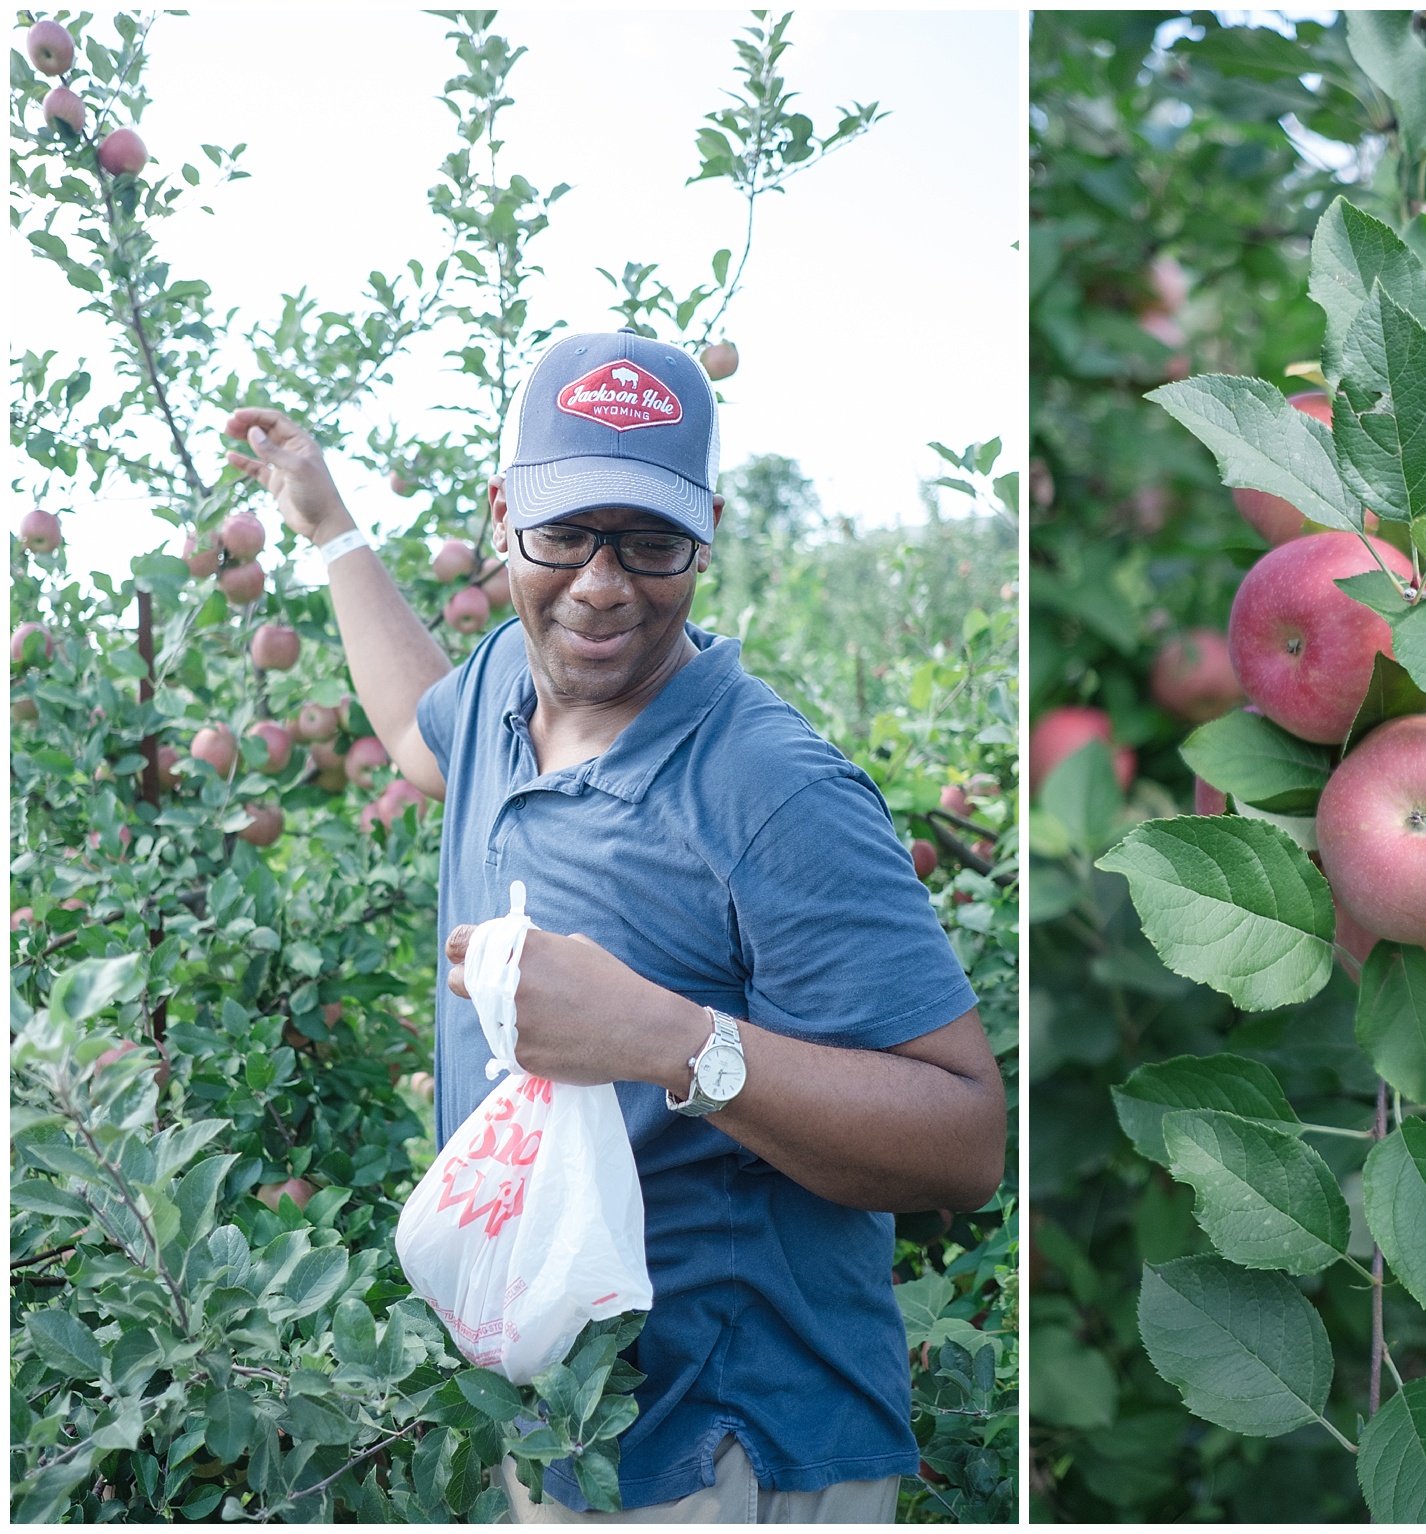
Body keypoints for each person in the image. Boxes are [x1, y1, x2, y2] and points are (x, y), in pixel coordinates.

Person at [222, 330, 1006, 1523]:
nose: (602, 582)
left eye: (651, 542)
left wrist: (670, 1039)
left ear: (708, 533)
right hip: (566, 1426)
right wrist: (329, 521)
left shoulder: (767, 786)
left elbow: (962, 1142)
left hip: (736, 1450)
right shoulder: (499, 687)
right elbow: (407, 735)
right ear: (501, 518)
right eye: (564, 534)